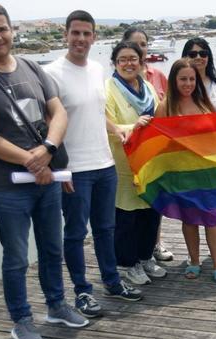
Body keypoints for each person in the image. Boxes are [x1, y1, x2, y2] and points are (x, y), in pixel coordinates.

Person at [0, 2, 88, 339]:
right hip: (9, 186)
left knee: (51, 247)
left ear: (12, 30)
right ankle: (21, 320)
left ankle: (57, 306)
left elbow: (58, 113)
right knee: (15, 256)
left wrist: (47, 150)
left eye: (2, 28)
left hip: (48, 177)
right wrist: (35, 161)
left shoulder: (32, 68)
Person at [44, 10, 143, 317]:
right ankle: (82, 292)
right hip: (74, 169)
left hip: (105, 164)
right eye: (76, 33)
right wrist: (59, 168)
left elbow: (100, 113)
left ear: (94, 37)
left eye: (87, 34)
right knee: (75, 233)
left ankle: (113, 281)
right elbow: (48, 123)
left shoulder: (98, 69)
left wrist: (121, 130)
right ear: (66, 35)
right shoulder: (51, 73)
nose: (81, 39)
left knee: (105, 228)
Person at [156, 58, 216, 283]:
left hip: (209, 171)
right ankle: (195, 261)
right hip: (182, 173)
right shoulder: (165, 107)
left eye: (191, 79)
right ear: (173, 80)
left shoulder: (204, 103)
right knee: (189, 220)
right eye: (183, 79)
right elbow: (157, 142)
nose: (187, 83)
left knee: (213, 218)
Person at [106, 40, 167, 286]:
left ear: (142, 63)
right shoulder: (108, 89)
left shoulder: (148, 87)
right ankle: (128, 263)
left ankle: (145, 256)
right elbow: (105, 124)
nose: (129, 63)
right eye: (123, 59)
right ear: (115, 63)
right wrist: (133, 127)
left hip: (149, 161)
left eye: (134, 59)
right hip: (123, 161)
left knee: (150, 212)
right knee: (126, 216)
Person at [122, 27, 174, 263]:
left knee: (154, 199)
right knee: (130, 206)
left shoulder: (158, 77)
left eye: (143, 44)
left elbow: (169, 109)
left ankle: (156, 243)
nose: (140, 49)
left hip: (156, 151)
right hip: (128, 152)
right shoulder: (116, 82)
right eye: (135, 44)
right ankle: (131, 256)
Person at [180, 37, 216, 263]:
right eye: (192, 54)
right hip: (187, 160)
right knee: (190, 211)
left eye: (203, 53)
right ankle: (194, 259)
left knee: (214, 207)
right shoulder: (182, 88)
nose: (198, 57)